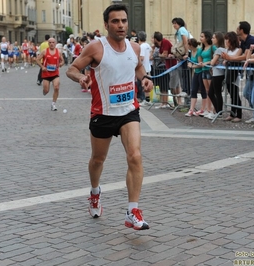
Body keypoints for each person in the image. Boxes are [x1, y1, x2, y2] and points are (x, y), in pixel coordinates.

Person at [66, 4, 153, 230]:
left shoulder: (134, 48)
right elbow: (72, 69)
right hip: (102, 114)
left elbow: (138, 68)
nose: (121, 25)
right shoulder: (96, 48)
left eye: (124, 21)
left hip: (128, 111)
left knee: (135, 156)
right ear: (106, 25)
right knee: (98, 160)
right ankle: (95, 192)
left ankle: (132, 210)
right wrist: (81, 78)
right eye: (115, 21)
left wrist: (145, 78)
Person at [36, 38, 64, 111]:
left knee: (56, 87)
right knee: (46, 90)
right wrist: (42, 67)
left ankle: (53, 104)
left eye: (53, 42)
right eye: (50, 42)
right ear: (48, 43)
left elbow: (62, 61)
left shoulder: (58, 52)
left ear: (55, 43)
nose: (51, 44)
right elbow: (37, 59)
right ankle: (45, 91)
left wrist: (61, 64)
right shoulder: (45, 51)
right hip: (46, 74)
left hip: (55, 73)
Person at [137, 31, 152, 106]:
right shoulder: (148, 45)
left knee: (142, 84)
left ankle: (144, 99)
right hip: (148, 67)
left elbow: (141, 58)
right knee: (147, 84)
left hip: (143, 68)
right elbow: (150, 55)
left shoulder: (141, 46)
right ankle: (148, 100)